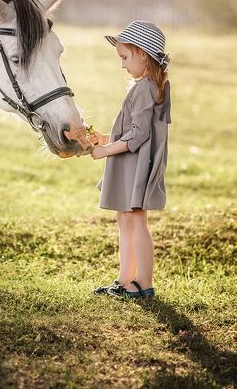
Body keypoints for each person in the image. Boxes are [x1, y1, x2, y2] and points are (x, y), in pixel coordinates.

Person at [89, 20, 171, 299]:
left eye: (125, 57)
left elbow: (137, 136)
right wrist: (105, 139)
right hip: (129, 164)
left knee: (136, 221)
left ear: (142, 54)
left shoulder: (147, 88)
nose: (122, 64)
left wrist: (104, 152)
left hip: (136, 165)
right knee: (125, 220)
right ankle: (125, 280)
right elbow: (130, 131)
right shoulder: (142, 87)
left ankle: (143, 282)